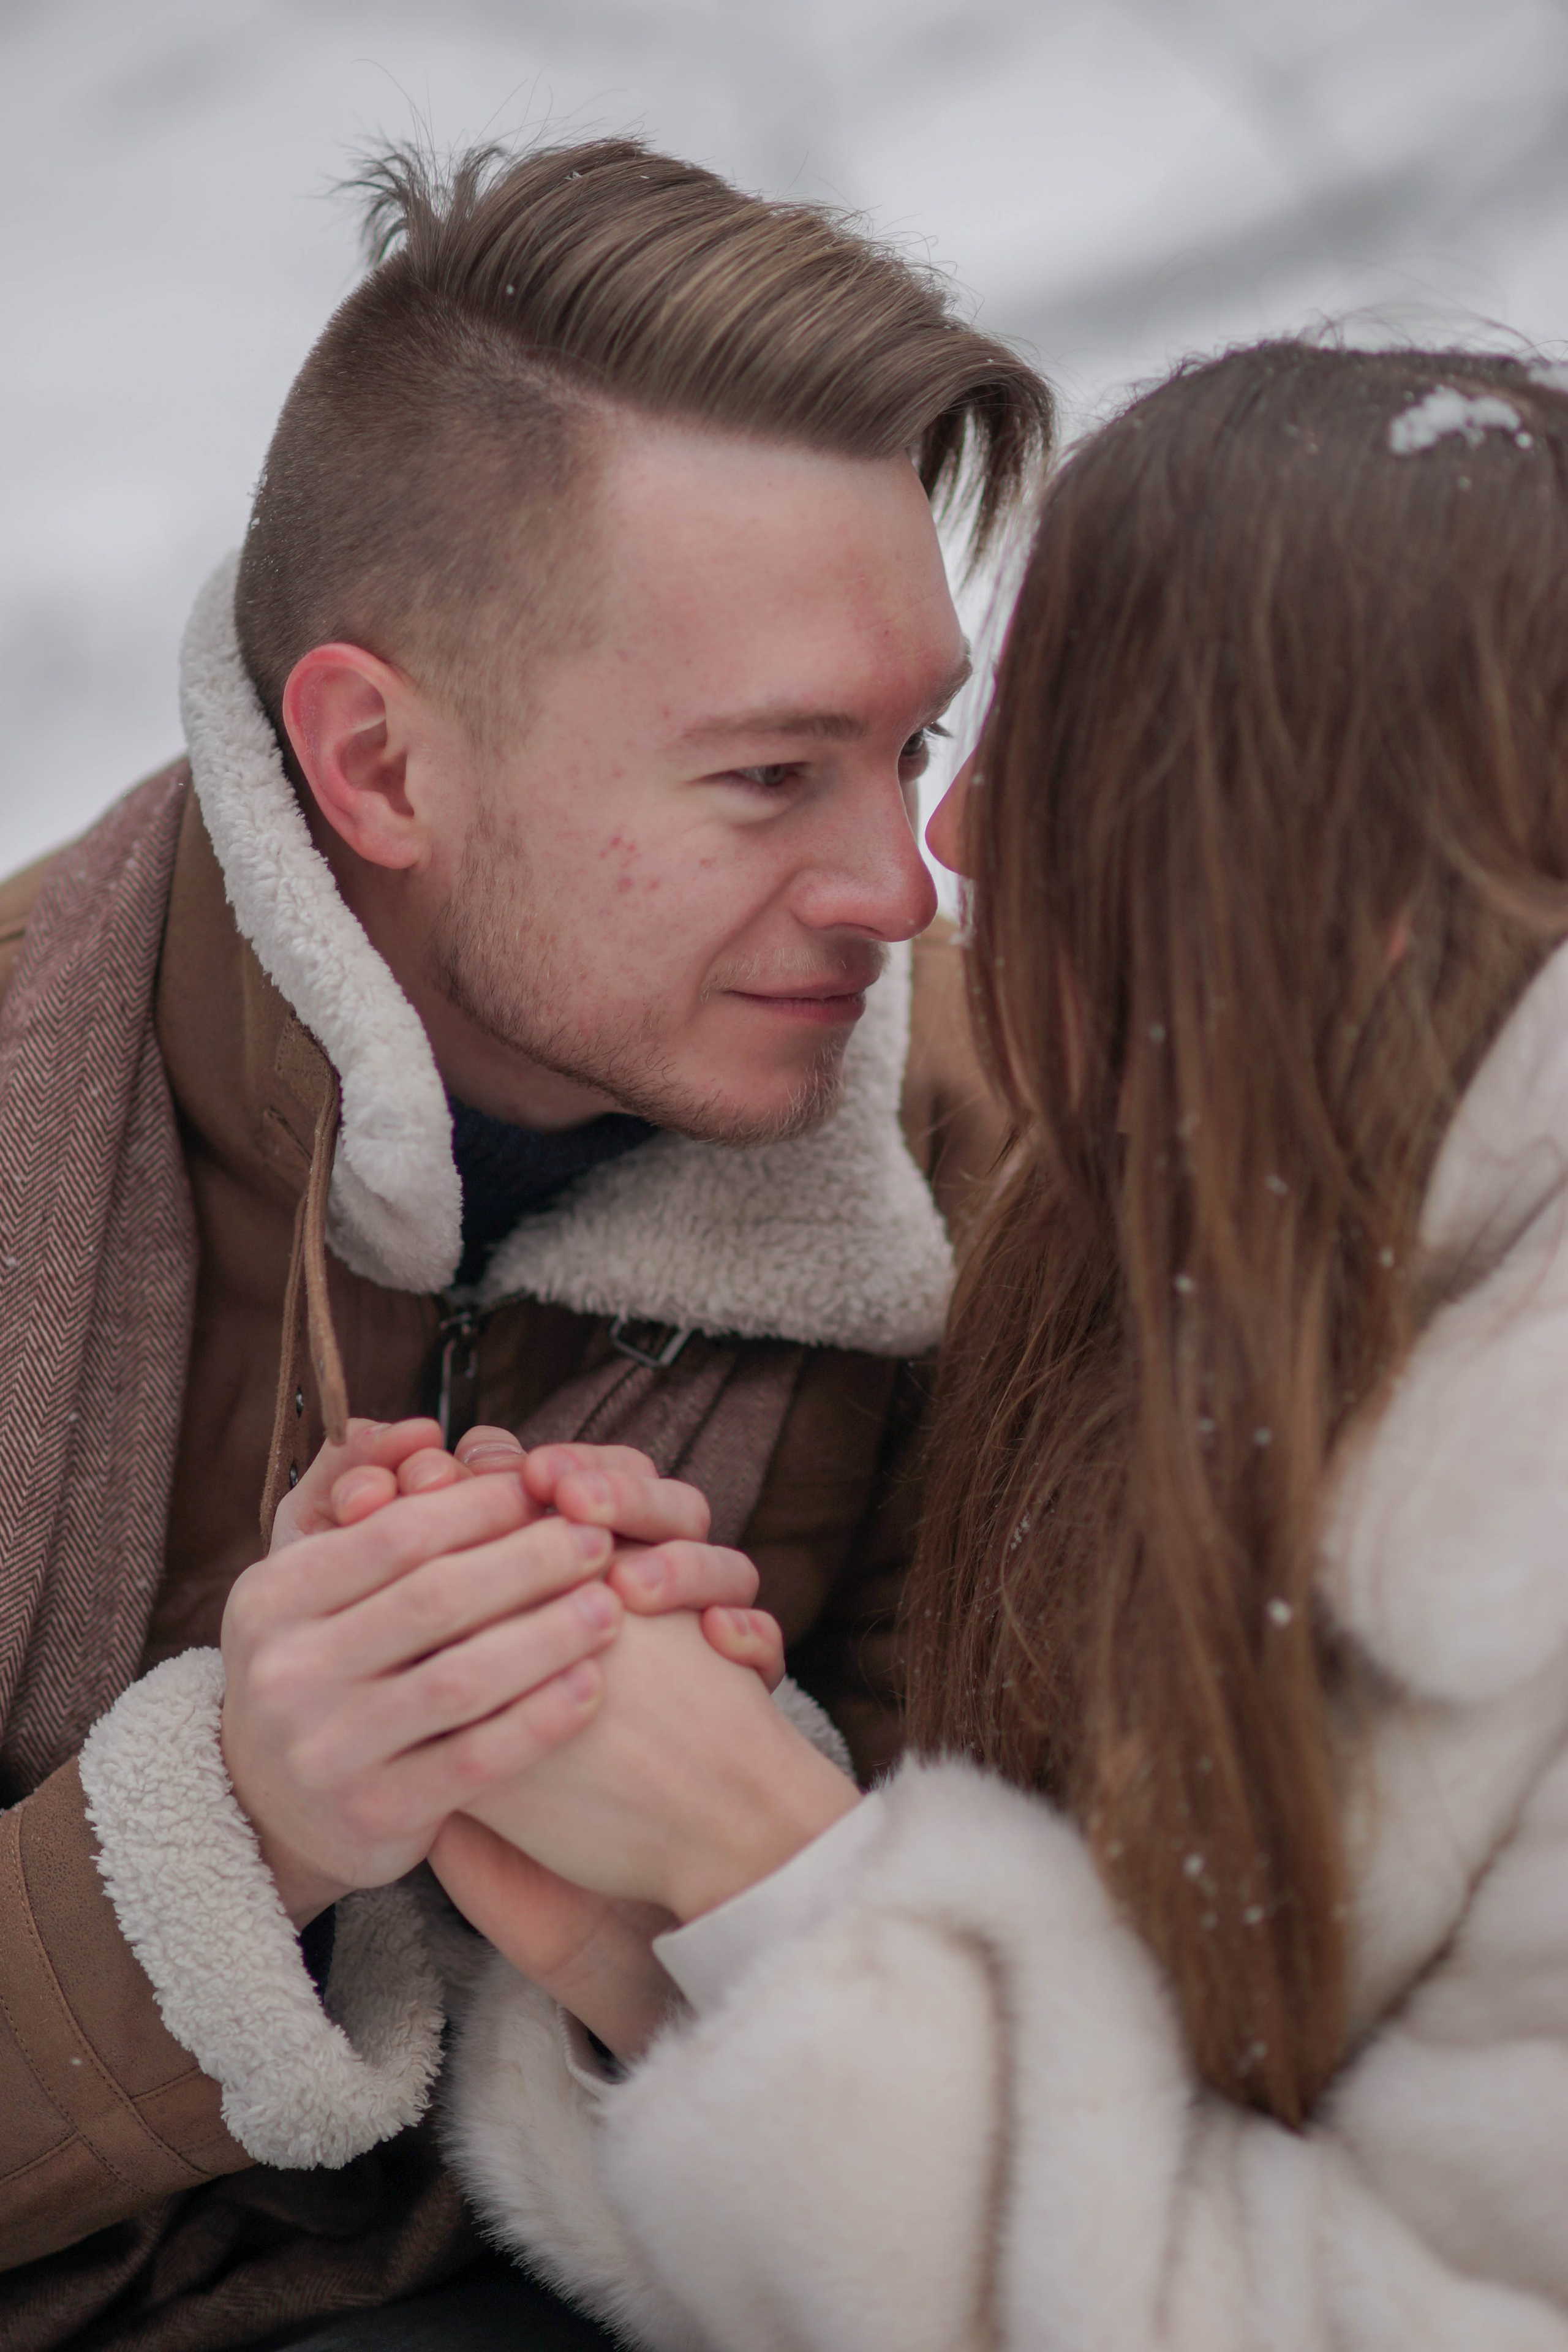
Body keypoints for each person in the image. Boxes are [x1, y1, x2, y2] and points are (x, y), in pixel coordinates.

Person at [0, 135, 1050, 2343]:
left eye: (912, 747)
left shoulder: (1018, 1182)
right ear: (378, 766)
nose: (902, 888)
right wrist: (226, 1828)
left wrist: (729, 1853)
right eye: (772, 778)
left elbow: (1129, 2160)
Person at [423, 340, 1568, 2348]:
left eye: (1044, 749)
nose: (946, 845)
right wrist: (671, 1958)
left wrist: (764, 1861)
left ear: (1345, 870)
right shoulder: (1183, 1257)